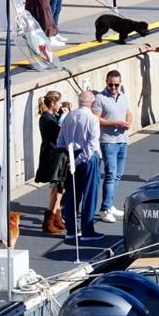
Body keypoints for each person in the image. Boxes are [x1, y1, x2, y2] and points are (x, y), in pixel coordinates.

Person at [57, 91, 103, 242]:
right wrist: (80, 159)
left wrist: (71, 158)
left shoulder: (69, 116)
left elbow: (61, 141)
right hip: (88, 159)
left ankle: (71, 229)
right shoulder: (92, 119)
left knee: (72, 194)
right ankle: (87, 230)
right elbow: (92, 144)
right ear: (93, 103)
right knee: (89, 194)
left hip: (72, 155)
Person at [93, 71, 133, 223]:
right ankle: (104, 209)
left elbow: (128, 113)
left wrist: (128, 122)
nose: (114, 87)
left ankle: (109, 205)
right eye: (111, 84)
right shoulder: (100, 98)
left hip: (122, 140)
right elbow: (96, 119)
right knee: (110, 174)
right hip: (108, 141)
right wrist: (115, 123)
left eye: (116, 84)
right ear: (106, 82)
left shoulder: (122, 95)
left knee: (118, 175)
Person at [35, 91, 68, 236]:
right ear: (53, 103)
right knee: (57, 186)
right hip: (52, 155)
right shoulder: (46, 118)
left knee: (61, 187)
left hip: (57, 154)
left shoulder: (52, 116)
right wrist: (64, 118)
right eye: (59, 102)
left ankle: (56, 215)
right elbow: (57, 132)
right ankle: (49, 219)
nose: (61, 105)